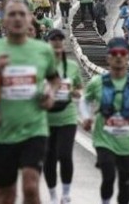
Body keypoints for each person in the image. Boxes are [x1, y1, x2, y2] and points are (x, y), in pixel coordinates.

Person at [0, 0, 60, 204]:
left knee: (31, 187)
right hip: (1, 133)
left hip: (34, 129)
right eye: (12, 14)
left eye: (21, 14)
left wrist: (50, 95)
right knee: (6, 195)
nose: (17, 19)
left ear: (29, 19)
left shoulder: (43, 50)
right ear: (3, 20)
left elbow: (54, 79)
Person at [79, 37, 129, 204]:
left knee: (125, 184)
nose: (118, 57)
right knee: (109, 176)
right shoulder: (98, 82)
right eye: (114, 53)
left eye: (123, 53)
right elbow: (85, 100)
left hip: (127, 143)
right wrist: (86, 117)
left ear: (128, 57)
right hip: (104, 140)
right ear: (108, 58)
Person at [44, 29, 84, 204]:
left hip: (67, 116)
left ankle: (66, 194)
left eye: (60, 39)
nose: (57, 42)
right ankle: (52, 195)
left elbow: (80, 88)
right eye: (54, 39)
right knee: (49, 157)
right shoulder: (40, 66)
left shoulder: (73, 67)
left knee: (65, 155)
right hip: (45, 118)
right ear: (48, 43)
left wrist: (75, 92)